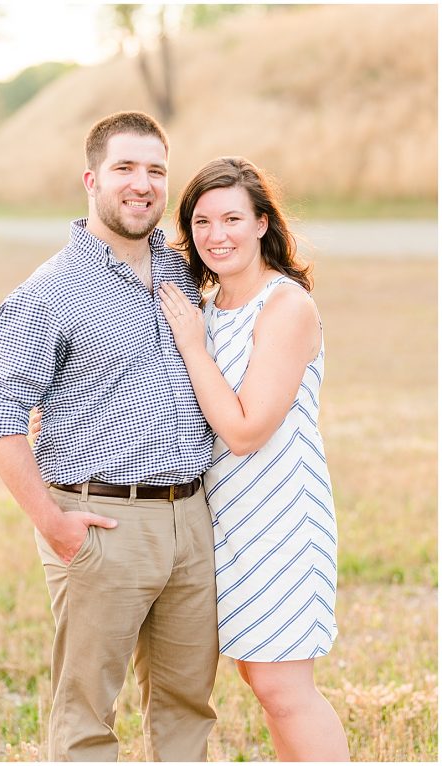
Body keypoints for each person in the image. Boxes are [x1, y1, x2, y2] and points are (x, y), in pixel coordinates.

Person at [0, 110, 219, 761]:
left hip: (192, 518)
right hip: (102, 520)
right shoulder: (48, 293)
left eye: (156, 171)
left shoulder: (182, 270)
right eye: (125, 169)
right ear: (91, 178)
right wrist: (52, 521)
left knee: (188, 703)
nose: (142, 185)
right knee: (86, 717)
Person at [157, 156, 349, 760]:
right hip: (226, 521)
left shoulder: (285, 306)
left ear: (264, 223)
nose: (218, 235)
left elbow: (244, 431)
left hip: (282, 516)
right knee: (260, 681)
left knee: (282, 685)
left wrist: (190, 344)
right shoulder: (208, 307)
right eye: (203, 221)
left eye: (234, 218)